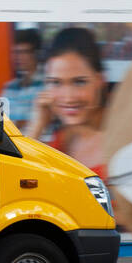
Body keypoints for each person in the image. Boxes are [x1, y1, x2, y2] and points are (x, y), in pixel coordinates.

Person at [24, 27, 109, 176]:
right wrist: (37, 125)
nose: (68, 97)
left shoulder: (122, 137)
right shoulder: (61, 140)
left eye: (79, 82)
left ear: (100, 81)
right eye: (56, 83)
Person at [0, 27, 44, 126]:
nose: (17, 57)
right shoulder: (9, 87)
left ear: (36, 54)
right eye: (15, 52)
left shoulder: (46, 85)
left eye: (23, 52)